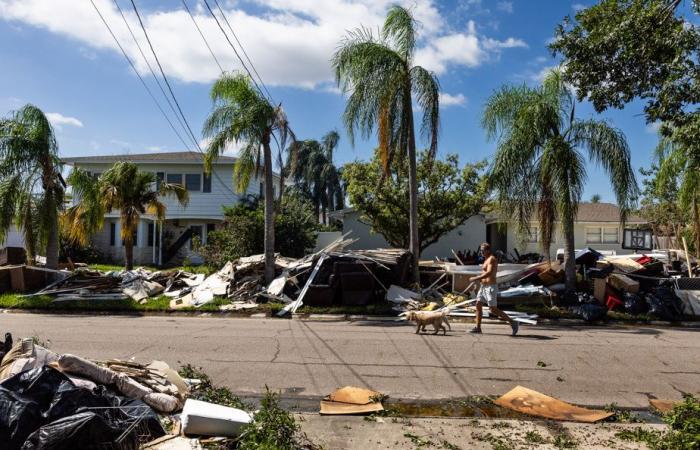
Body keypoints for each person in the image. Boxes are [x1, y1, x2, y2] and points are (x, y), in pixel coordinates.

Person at [468, 243, 518, 336]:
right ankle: (478, 327)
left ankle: (513, 322)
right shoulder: (486, 259)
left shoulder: (492, 259)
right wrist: (478, 282)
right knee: (478, 305)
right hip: (483, 286)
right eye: (481, 251)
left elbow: (489, 273)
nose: (481, 252)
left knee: (493, 309)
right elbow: (484, 272)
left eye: (483, 251)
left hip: (490, 287)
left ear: (488, 250)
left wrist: (475, 278)